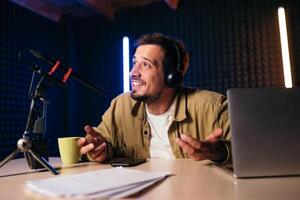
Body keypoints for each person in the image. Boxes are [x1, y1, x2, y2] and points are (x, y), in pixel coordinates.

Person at [77, 33, 230, 163]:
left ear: (171, 77)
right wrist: (99, 150)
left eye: (146, 65)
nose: (133, 73)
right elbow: (102, 143)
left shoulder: (213, 107)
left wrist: (221, 151)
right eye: (134, 62)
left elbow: (249, 150)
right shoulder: (120, 105)